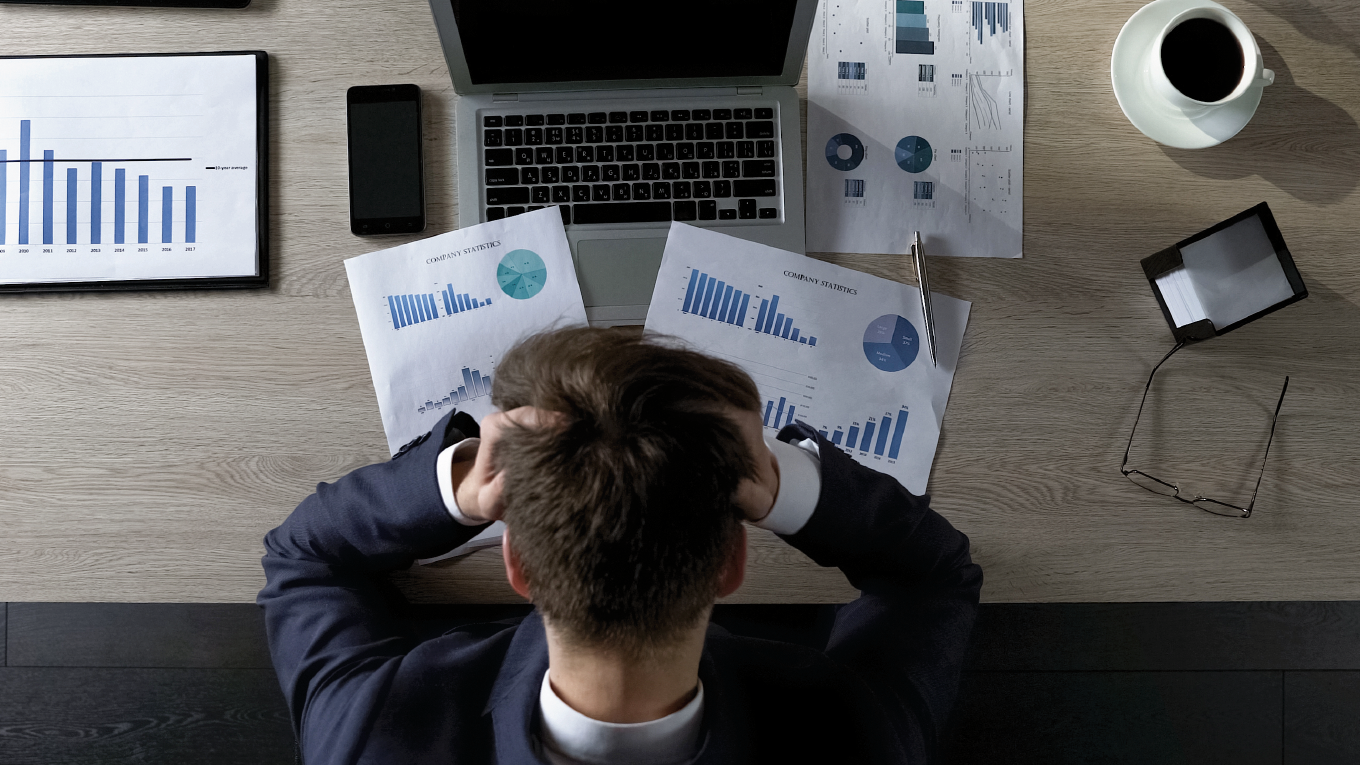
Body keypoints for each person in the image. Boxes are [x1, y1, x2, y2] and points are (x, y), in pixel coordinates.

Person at [258, 327, 982, 765]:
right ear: (732, 562)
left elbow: (304, 556)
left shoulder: (372, 736)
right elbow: (935, 575)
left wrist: (456, 485)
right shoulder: (856, 736)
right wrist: (786, 484)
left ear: (519, 564)